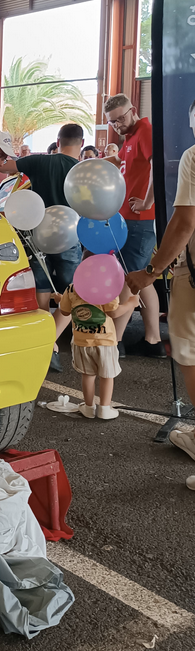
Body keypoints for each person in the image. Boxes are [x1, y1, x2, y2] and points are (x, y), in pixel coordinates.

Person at [127, 99, 195, 471]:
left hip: (192, 278)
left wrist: (150, 272)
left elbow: (184, 223)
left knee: (188, 353)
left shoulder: (193, 157)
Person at [1, 122, 85, 371]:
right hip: (70, 236)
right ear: (81, 144)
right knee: (73, 292)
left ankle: (45, 341)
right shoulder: (82, 170)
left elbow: (5, 166)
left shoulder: (39, 161)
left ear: (58, 142)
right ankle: (52, 341)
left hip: (37, 233)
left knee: (41, 286)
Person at [103, 95, 164, 358]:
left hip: (140, 220)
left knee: (129, 278)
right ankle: (153, 340)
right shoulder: (130, 137)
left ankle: (115, 341)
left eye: (121, 118)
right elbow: (124, 164)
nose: (118, 124)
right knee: (141, 277)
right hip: (128, 218)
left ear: (133, 110)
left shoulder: (145, 131)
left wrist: (147, 201)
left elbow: (157, 166)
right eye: (113, 122)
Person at [58, 279, 139, 419]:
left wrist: (60, 300)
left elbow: (64, 312)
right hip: (105, 341)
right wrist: (131, 303)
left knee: (88, 375)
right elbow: (114, 312)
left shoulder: (72, 288)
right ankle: (105, 409)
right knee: (107, 375)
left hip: (81, 341)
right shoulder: (106, 288)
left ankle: (89, 407)